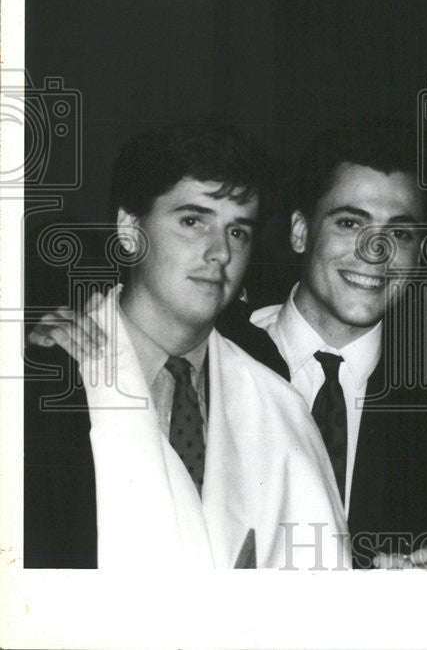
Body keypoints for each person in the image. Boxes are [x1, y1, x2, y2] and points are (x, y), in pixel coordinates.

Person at [24, 123, 349, 569]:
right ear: (129, 230)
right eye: (193, 221)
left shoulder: (275, 397)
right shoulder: (44, 382)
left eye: (238, 231)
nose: (220, 252)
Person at [213, 127, 427, 569]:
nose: (375, 250)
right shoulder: (218, 350)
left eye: (400, 234)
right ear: (301, 232)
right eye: (350, 223)